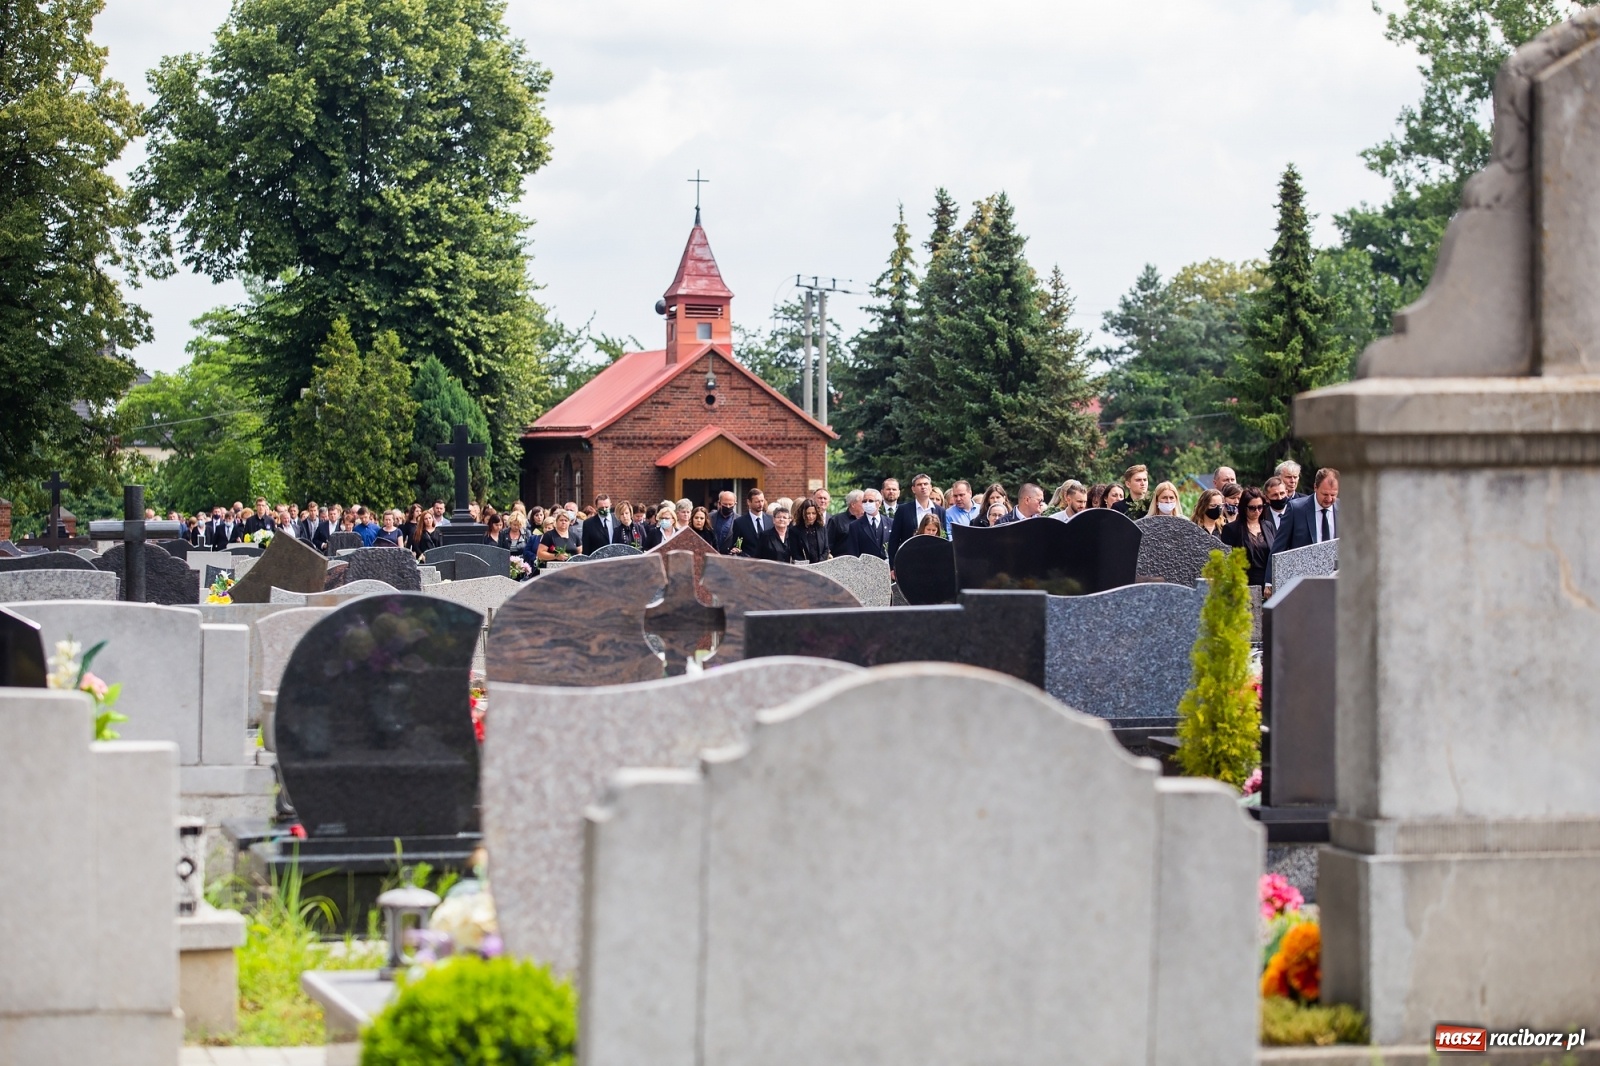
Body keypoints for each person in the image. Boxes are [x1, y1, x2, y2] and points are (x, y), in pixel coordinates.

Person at [1273, 468, 1339, 552]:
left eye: (1333, 495)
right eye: (1325, 494)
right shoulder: (1296, 510)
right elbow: (1277, 550)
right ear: (1315, 487)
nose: (1329, 499)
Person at [888, 473, 945, 565]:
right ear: (913, 489)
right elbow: (894, 539)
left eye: (926, 484)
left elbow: (943, 536)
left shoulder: (940, 511)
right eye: (919, 484)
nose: (923, 487)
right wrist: (892, 565)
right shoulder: (903, 510)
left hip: (934, 561)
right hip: (909, 560)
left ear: (930, 487)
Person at [1221, 487, 1272, 585]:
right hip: (1244, 583)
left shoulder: (1268, 526)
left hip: (1267, 583)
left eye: (1260, 507)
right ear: (1244, 508)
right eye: (1252, 508)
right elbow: (1228, 560)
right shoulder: (1231, 529)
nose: (1257, 511)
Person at [727, 486, 771, 558]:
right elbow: (737, 545)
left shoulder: (771, 520)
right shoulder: (740, 523)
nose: (761, 504)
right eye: (757, 502)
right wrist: (737, 550)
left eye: (762, 501)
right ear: (749, 502)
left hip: (768, 563)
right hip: (749, 563)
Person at [846, 489, 890, 559]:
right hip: (865, 567)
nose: (867, 503)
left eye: (871, 501)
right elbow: (853, 552)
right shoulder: (855, 526)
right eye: (864, 501)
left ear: (879, 503)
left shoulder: (890, 523)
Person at [827, 490, 866, 557]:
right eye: (863, 502)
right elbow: (828, 544)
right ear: (853, 504)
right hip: (842, 562)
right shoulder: (836, 520)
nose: (866, 505)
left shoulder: (867, 520)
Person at [792, 498, 830, 562]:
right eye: (808, 513)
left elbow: (826, 548)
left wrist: (820, 562)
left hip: (821, 565)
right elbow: (795, 553)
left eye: (814, 513)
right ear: (803, 513)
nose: (811, 516)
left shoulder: (821, 528)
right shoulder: (795, 530)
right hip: (805, 567)